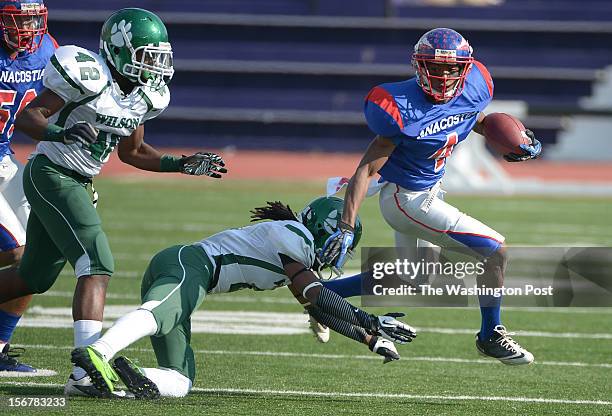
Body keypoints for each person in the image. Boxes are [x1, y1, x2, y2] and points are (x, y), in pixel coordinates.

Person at [0, 7, 227, 394]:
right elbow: (28, 119)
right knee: (97, 261)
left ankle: (84, 369)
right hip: (51, 173)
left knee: (33, 276)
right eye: (147, 56)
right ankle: (84, 372)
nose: (155, 66)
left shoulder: (145, 95)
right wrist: (60, 133)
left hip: (79, 180)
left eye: (159, 56)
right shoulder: (89, 74)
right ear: (119, 50)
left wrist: (181, 163)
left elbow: (133, 153)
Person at [318, 28, 540, 365]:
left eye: (453, 68)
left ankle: (321, 296)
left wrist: (511, 141)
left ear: (465, 68)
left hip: (424, 191)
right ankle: (490, 335)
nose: (445, 75)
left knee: (414, 276)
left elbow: (469, 119)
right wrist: (346, 228)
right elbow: (365, 170)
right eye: (436, 67)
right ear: (419, 66)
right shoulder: (399, 106)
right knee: (495, 250)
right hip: (407, 200)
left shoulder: (476, 85)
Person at [70, 197, 416, 398]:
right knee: (160, 312)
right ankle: (98, 351)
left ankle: (96, 383)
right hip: (189, 264)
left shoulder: (296, 255)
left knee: (179, 381)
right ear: (324, 230)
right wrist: (369, 318)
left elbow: (319, 310)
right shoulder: (294, 237)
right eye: (340, 243)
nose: (340, 253)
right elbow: (317, 294)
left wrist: (370, 339)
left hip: (198, 279)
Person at [0, 0, 56, 373]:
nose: (28, 27)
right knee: (19, 256)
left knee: (35, 256)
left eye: (34, 18)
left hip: (4, 158)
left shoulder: (48, 49)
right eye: (19, 19)